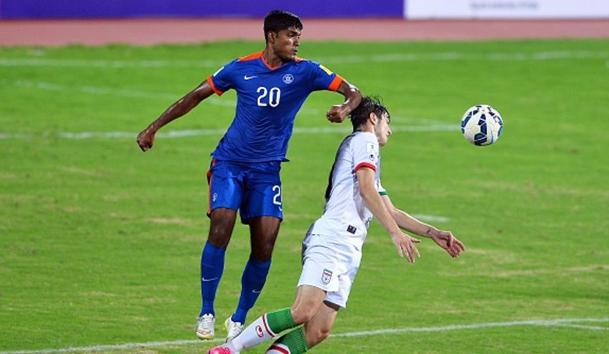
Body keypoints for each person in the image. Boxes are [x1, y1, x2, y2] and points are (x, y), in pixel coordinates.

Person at [136, 10, 361, 341]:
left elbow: (354, 93)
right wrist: (154, 127)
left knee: (264, 245)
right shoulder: (240, 68)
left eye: (299, 35)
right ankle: (206, 312)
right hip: (229, 163)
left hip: (267, 171)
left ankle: (239, 317)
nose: (297, 42)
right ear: (271, 37)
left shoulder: (307, 72)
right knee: (221, 225)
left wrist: (344, 109)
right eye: (290, 36)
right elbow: (195, 95)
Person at [208, 96, 466, 354]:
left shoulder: (364, 155)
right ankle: (230, 348)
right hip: (333, 238)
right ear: (373, 118)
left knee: (318, 330)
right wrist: (395, 234)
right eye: (388, 121)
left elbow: (390, 210)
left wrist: (433, 233)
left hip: (348, 247)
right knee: (303, 311)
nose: (390, 130)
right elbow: (366, 190)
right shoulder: (366, 141)